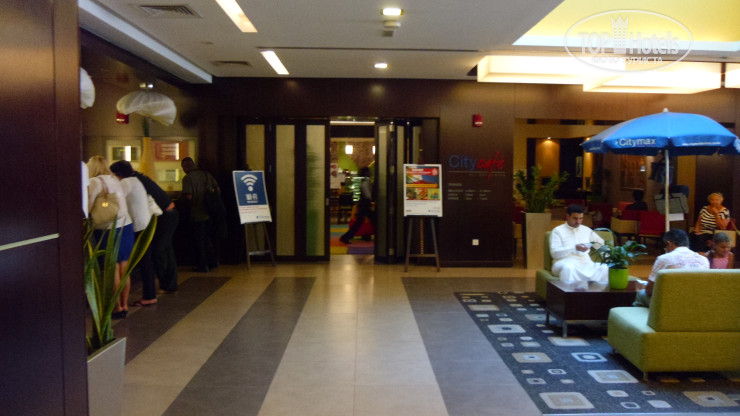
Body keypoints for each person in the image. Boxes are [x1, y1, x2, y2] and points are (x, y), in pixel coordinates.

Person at [87, 156, 134, 319]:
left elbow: (88, 206)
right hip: (126, 226)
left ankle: (116, 307)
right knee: (123, 268)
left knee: (111, 268)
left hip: (107, 229)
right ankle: (125, 304)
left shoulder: (95, 182)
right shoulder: (115, 180)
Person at [634, 229, 709, 307]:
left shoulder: (664, 259)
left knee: (640, 294)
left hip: (670, 303)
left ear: (669, 243)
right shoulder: (704, 260)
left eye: (665, 246)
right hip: (696, 302)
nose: (665, 249)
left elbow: (649, 291)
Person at [549, 204, 608, 285]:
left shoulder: (586, 230)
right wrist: (574, 248)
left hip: (585, 263)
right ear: (567, 216)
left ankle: (597, 292)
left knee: (604, 268)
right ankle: (569, 293)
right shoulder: (558, 231)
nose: (578, 222)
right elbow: (554, 253)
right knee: (569, 268)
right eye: (575, 218)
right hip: (564, 262)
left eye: (581, 218)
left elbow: (600, 245)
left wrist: (612, 259)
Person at [181, 157, 219, 272]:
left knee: (199, 240)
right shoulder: (206, 174)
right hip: (211, 212)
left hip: (197, 213)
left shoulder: (187, 178)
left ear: (185, 167)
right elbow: (218, 190)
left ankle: (203, 265)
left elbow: (189, 196)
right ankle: (213, 262)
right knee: (207, 238)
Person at [340, 166, 374, 244]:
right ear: (366, 173)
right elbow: (368, 195)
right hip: (365, 205)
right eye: (369, 171)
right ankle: (345, 237)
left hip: (363, 204)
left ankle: (346, 237)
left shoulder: (363, 181)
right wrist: (372, 199)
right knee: (372, 220)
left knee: (359, 223)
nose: (370, 173)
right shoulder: (366, 182)